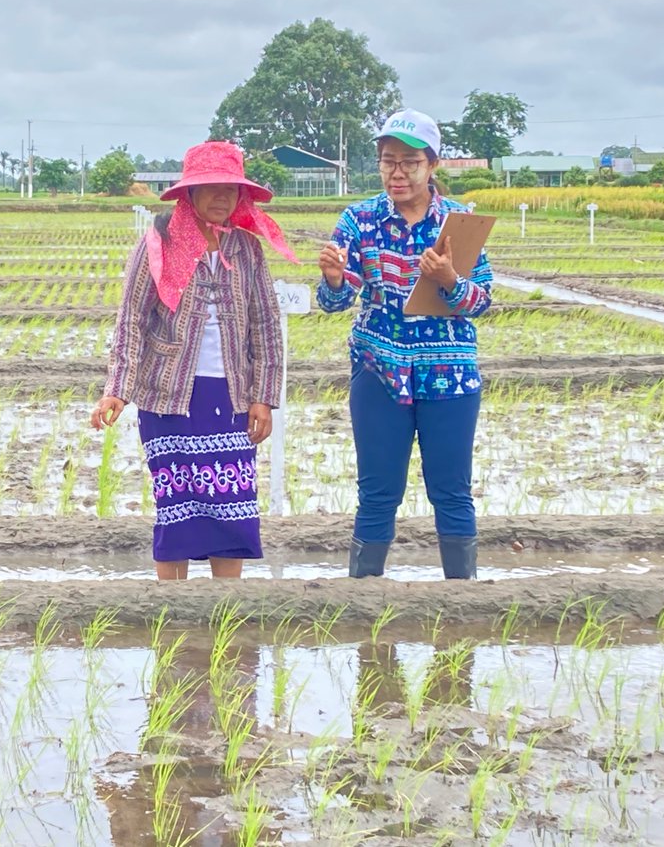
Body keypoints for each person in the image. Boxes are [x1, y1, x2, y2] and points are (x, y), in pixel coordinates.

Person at [91, 141, 295, 581]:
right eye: (211, 188)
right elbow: (131, 322)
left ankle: (226, 609)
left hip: (233, 395)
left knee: (232, 504)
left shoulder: (246, 250)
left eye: (230, 189)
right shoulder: (158, 246)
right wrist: (117, 390)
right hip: (169, 398)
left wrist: (264, 398)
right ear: (188, 194)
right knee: (177, 507)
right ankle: (174, 612)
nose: (222, 197)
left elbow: (265, 325)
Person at [317, 109, 493, 580]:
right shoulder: (359, 220)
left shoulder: (463, 224)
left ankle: (462, 597)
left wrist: (450, 280)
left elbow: (481, 301)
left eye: (409, 162)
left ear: (432, 165)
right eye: (387, 161)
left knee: (451, 490)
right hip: (379, 370)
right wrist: (334, 280)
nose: (397, 172)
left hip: (450, 374)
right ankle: (363, 597)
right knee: (378, 492)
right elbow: (336, 302)